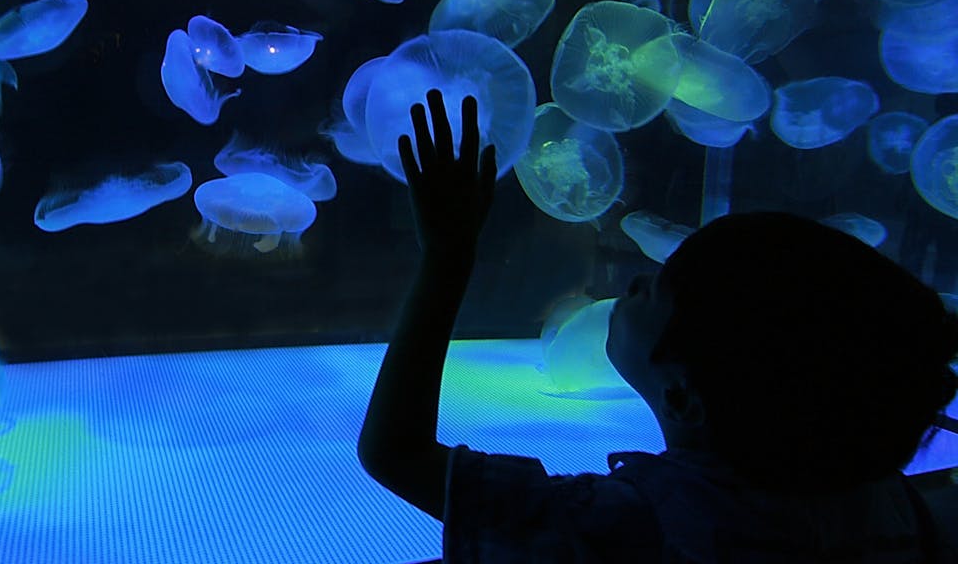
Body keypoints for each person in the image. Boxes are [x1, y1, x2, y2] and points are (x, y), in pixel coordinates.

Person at [358, 88, 958, 563]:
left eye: (658, 290)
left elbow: (395, 454)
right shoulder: (891, 506)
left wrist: (446, 255)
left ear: (681, 394)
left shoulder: (637, 523)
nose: (638, 282)